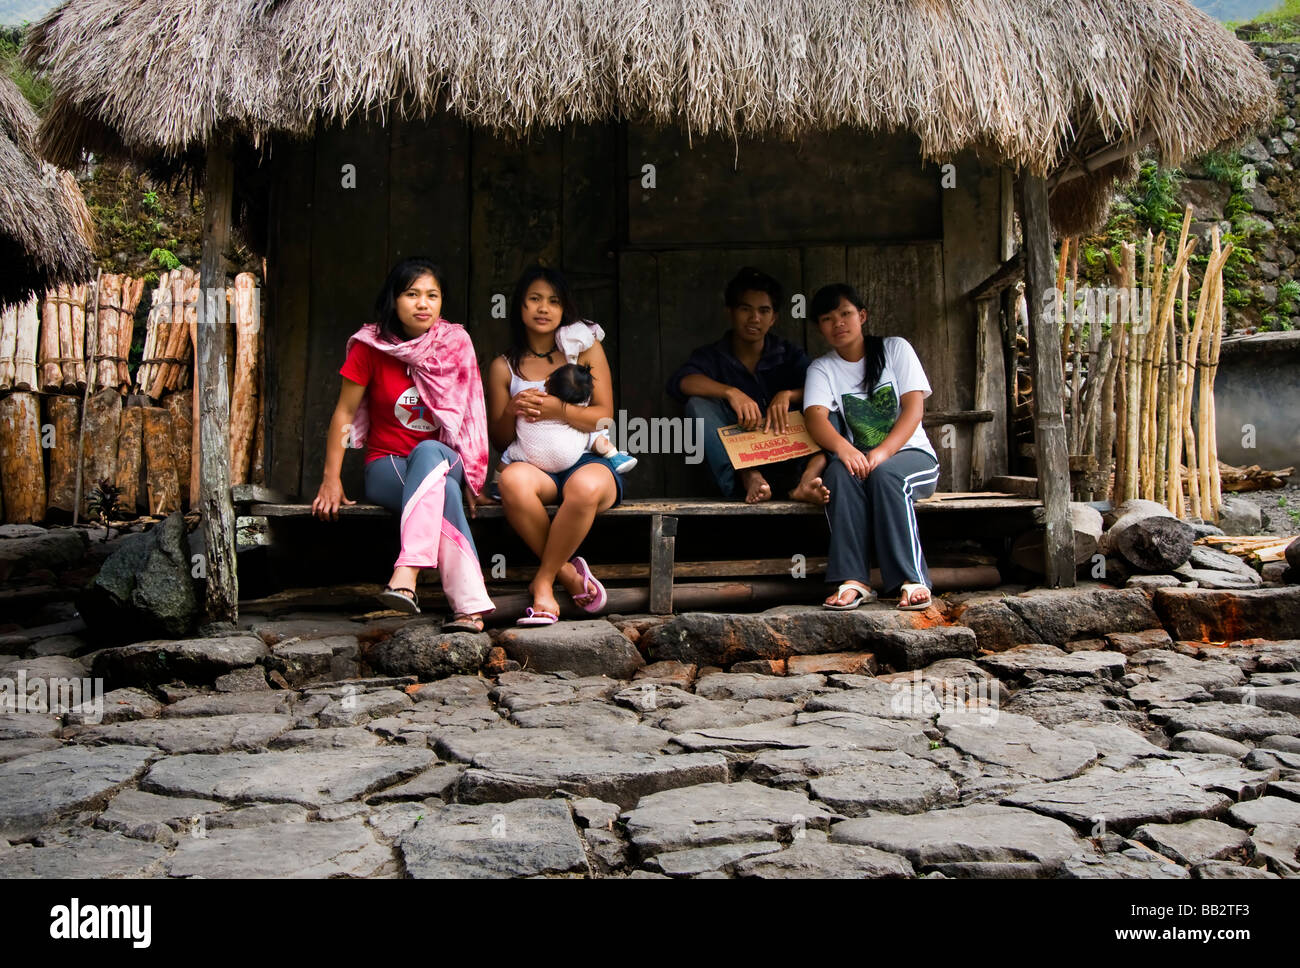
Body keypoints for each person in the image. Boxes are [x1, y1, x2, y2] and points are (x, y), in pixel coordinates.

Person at [310, 257, 494, 632]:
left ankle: (406, 574)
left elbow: (473, 412)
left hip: (448, 459)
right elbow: (344, 413)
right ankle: (469, 608)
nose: (423, 303)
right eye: (412, 294)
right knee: (443, 493)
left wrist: (473, 475)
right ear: (394, 299)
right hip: (386, 466)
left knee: (429, 454)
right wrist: (331, 478)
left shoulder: (455, 344)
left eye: (432, 295)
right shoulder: (371, 347)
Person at [486, 265, 622, 625]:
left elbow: (605, 416)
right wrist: (512, 410)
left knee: (585, 486)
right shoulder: (503, 368)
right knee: (512, 481)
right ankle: (566, 572)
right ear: (520, 307)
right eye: (534, 299)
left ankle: (544, 581)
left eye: (553, 301)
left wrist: (559, 410)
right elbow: (500, 440)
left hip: (587, 460)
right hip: (535, 467)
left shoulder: (584, 351)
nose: (543, 308)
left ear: (565, 309)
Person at [802, 283, 940, 611]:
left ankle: (911, 579)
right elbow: (815, 417)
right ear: (819, 327)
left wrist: (883, 453)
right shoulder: (822, 368)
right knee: (837, 474)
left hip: (912, 457)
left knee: (887, 476)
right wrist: (844, 449)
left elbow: (913, 408)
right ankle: (853, 580)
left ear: (862, 316)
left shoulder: (895, 350)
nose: (838, 323)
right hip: (862, 461)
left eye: (846, 314)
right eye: (827, 318)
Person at [666, 266, 826, 503]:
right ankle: (749, 476)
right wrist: (730, 392)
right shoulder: (714, 355)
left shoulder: (788, 354)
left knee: (827, 410)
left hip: (790, 456)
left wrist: (788, 395)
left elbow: (825, 388)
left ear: (774, 318)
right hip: (742, 462)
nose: (754, 319)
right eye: (745, 309)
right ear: (730, 312)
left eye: (764, 311)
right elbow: (681, 382)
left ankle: (807, 481)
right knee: (698, 405)